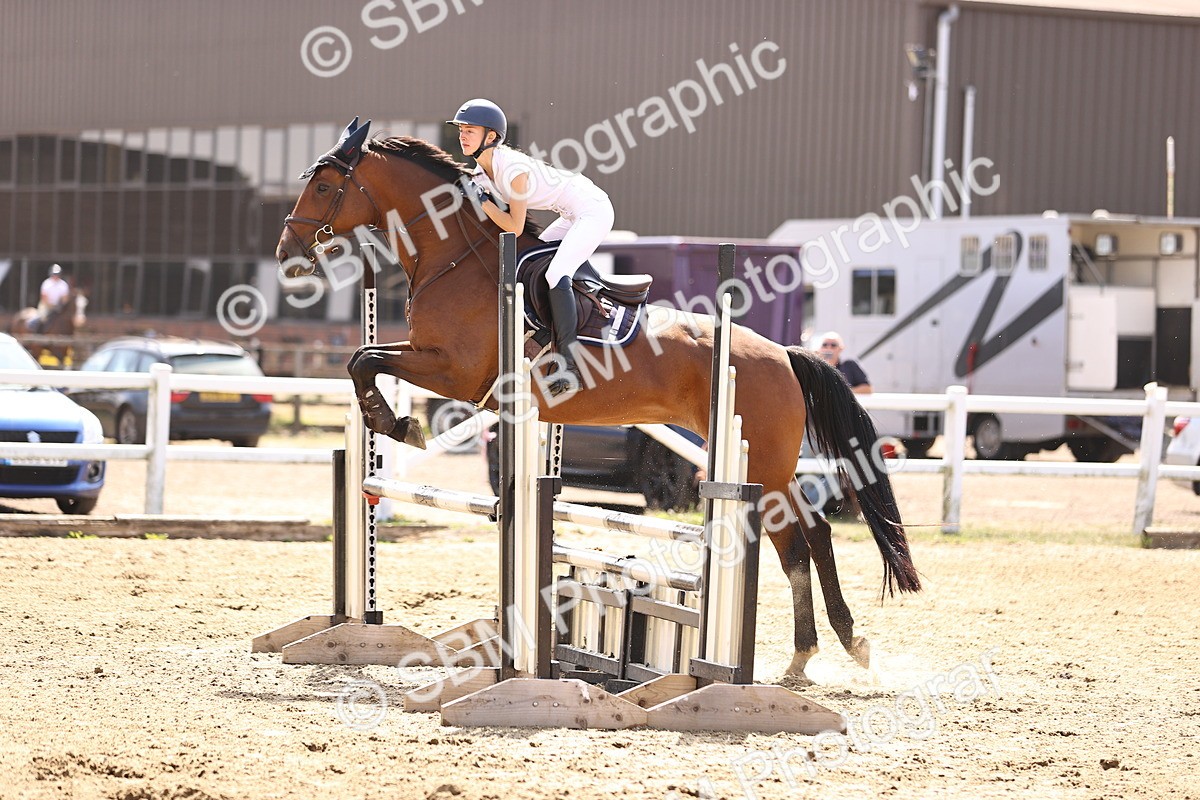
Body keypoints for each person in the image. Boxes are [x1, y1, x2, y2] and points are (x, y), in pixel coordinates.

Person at [447, 98, 615, 397]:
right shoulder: (484, 167)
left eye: (469, 130)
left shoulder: (512, 169)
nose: (462, 135)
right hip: (569, 212)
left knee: (555, 274)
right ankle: (545, 334)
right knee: (530, 264)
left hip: (592, 209)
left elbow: (514, 227)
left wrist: (482, 201)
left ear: (492, 136)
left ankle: (570, 364)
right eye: (461, 129)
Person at [37, 264, 70, 329]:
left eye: (57, 274)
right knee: (42, 318)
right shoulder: (46, 283)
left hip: (59, 307)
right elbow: (44, 298)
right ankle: (39, 333)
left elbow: (65, 298)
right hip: (46, 306)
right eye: (54, 274)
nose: (55, 276)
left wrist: (60, 305)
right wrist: (51, 306)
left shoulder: (63, 285)